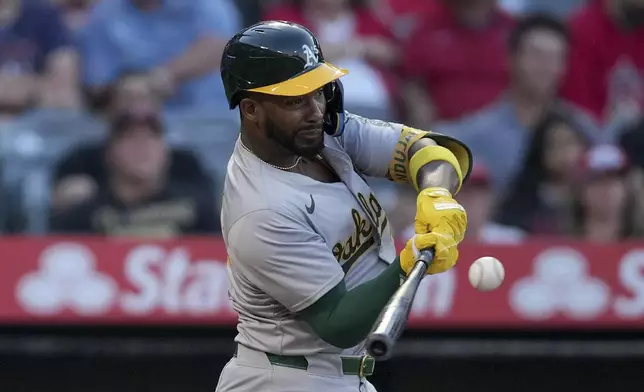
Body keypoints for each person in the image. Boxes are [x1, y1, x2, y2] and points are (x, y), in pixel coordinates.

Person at [216, 21, 472, 392]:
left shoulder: (324, 133)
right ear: (252, 108)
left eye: (318, 93)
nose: (315, 110)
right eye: (295, 101)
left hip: (342, 377)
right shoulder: (261, 208)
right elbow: (338, 323)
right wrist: (406, 262)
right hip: (284, 379)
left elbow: (431, 151)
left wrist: (437, 196)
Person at [49, 106, 219, 236]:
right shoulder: (84, 217)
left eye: (151, 138)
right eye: (131, 139)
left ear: (166, 152)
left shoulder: (199, 211)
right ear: (109, 153)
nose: (142, 148)